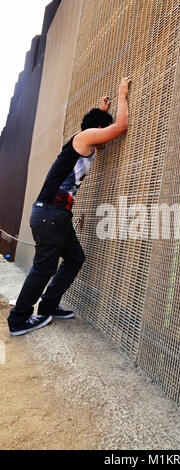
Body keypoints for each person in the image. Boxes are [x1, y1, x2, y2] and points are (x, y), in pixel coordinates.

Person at [7, 76, 132, 336]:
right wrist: (122, 94)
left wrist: (102, 112)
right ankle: (18, 320)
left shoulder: (84, 144)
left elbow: (98, 133)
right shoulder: (83, 139)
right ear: (96, 129)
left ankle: (48, 305)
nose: (105, 142)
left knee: (75, 258)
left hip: (55, 215)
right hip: (50, 215)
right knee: (44, 268)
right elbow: (120, 128)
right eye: (102, 132)